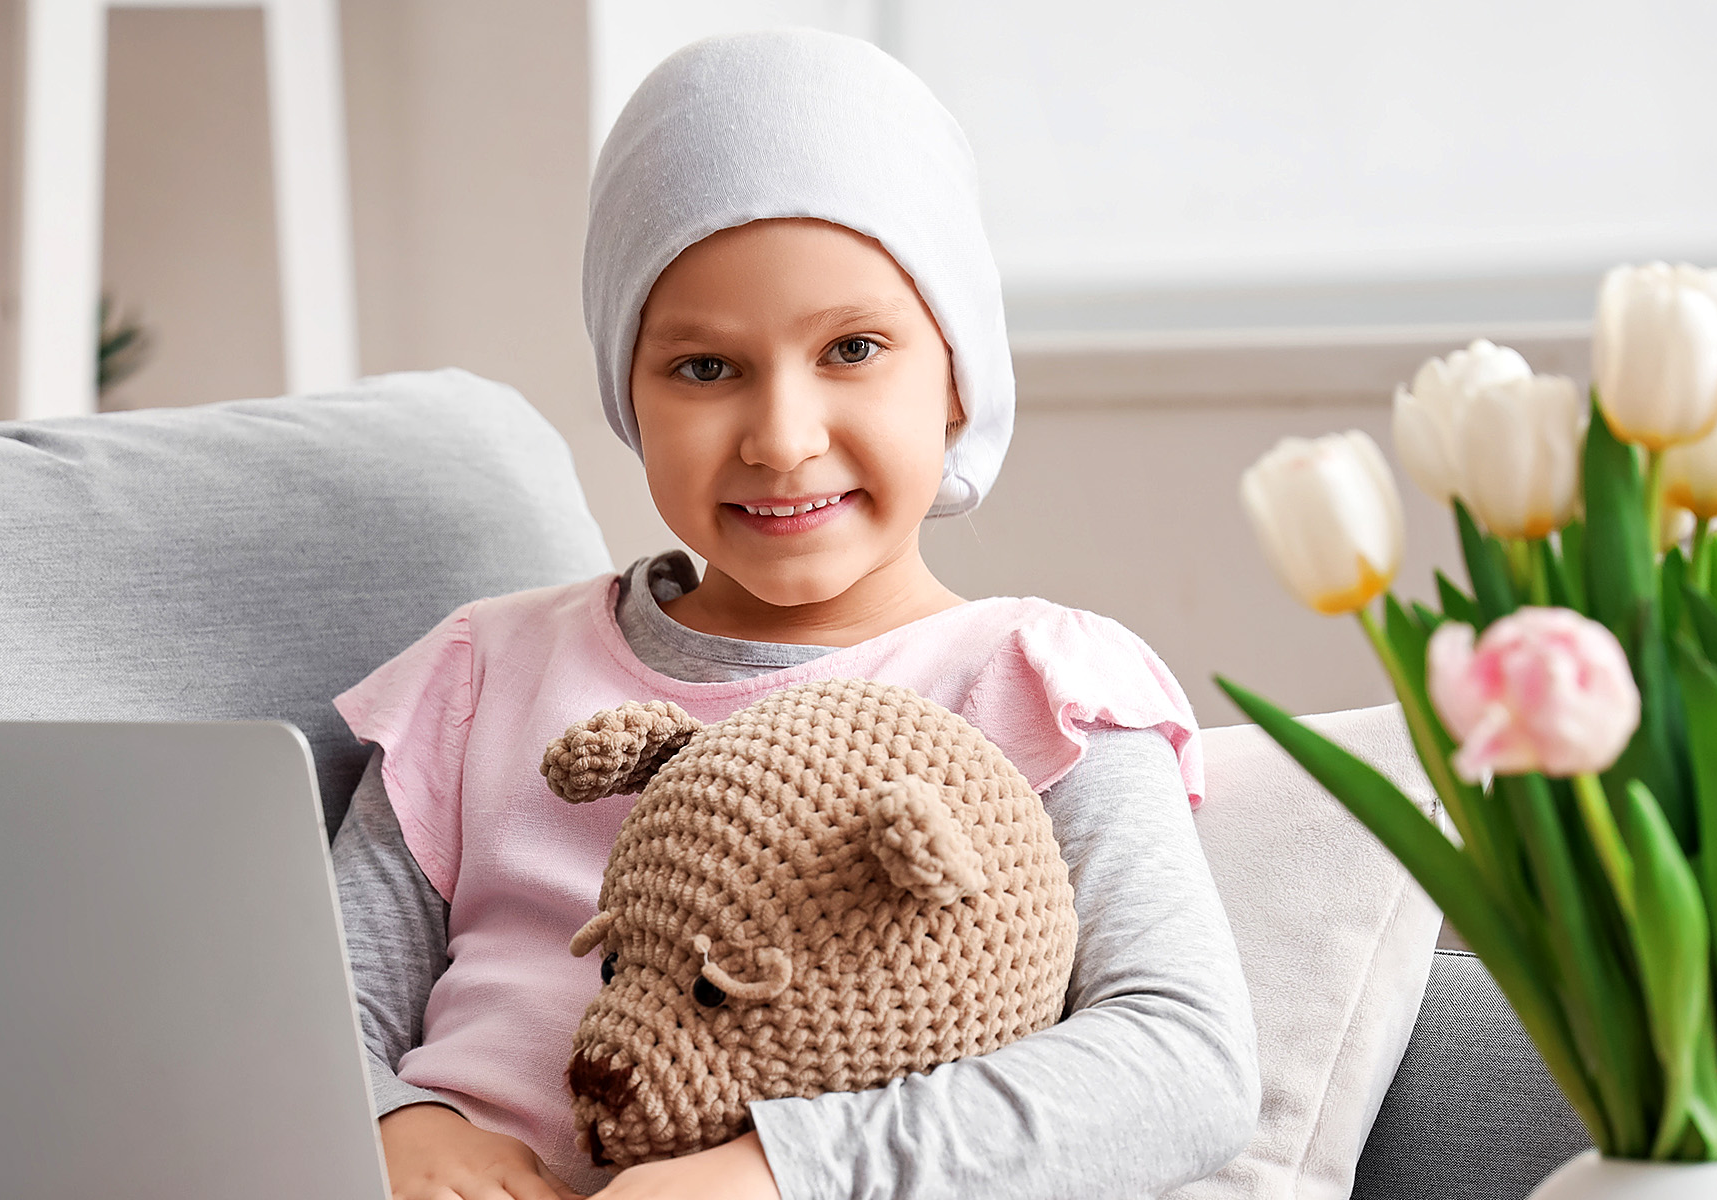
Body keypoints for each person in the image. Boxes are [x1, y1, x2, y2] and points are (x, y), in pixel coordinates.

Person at [331, 28, 1258, 1200]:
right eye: (704, 369)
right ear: (629, 392)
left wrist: (784, 1173)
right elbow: (308, 998)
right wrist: (393, 1120)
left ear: (959, 376)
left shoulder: (1035, 685)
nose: (782, 437)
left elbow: (1182, 1063)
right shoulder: (479, 674)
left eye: (853, 349)